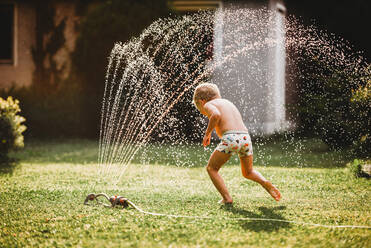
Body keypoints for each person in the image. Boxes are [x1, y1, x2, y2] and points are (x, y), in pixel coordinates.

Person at [193, 83, 281, 204]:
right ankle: (265, 183)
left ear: (201, 101)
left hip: (231, 138)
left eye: (201, 110)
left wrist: (207, 133)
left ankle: (227, 198)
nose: (204, 112)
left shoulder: (209, 104)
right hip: (245, 138)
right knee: (248, 172)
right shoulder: (227, 103)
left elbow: (216, 115)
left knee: (211, 168)